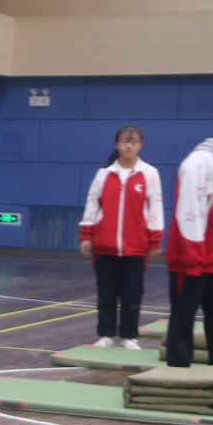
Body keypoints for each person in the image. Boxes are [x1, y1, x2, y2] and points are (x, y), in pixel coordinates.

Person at [79, 124, 164, 349]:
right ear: (116, 144)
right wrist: (86, 235)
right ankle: (106, 334)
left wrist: (155, 240)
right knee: (106, 294)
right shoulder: (104, 174)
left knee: (132, 295)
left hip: (136, 247)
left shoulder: (150, 173)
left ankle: (129, 336)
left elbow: (155, 209)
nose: (128, 145)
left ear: (140, 145)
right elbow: (92, 205)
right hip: (105, 247)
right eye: (124, 141)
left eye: (133, 141)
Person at [168, 136, 213, 367]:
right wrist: (193, 258)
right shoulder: (198, 162)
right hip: (191, 261)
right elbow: (189, 210)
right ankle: (178, 372)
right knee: (183, 317)